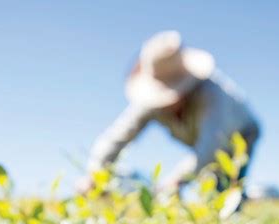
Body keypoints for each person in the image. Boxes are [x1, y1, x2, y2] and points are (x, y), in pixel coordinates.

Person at [78, 31, 260, 194]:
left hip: (241, 133)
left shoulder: (212, 95)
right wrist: (95, 173)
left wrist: (175, 181)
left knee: (225, 189)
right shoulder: (149, 102)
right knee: (206, 184)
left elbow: (209, 148)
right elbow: (117, 136)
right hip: (205, 141)